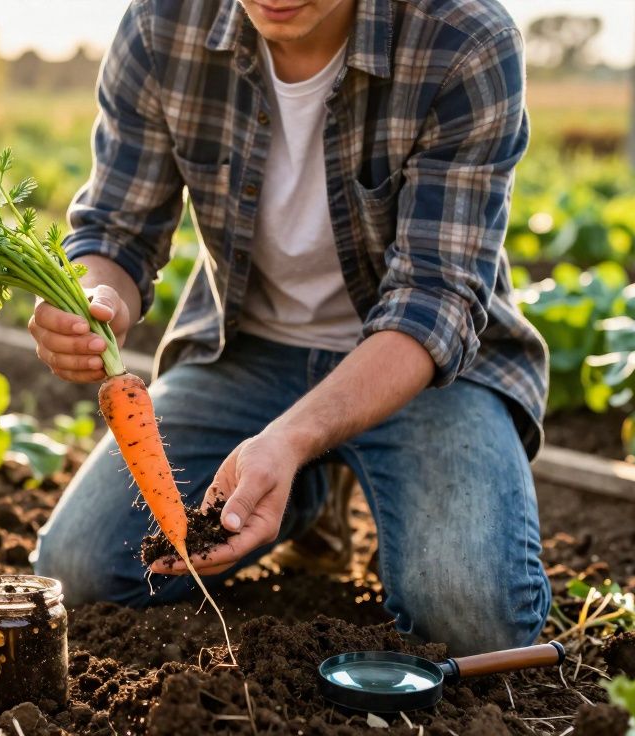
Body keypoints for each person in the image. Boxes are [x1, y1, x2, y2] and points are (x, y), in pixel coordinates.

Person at [28, 0, 551, 656]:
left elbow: (433, 303)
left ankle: (303, 458)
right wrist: (97, 299)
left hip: (421, 368)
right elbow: (117, 230)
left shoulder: (462, 36)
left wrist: (292, 437)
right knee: (76, 573)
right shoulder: (164, 23)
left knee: (471, 617)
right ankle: (306, 494)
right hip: (247, 351)